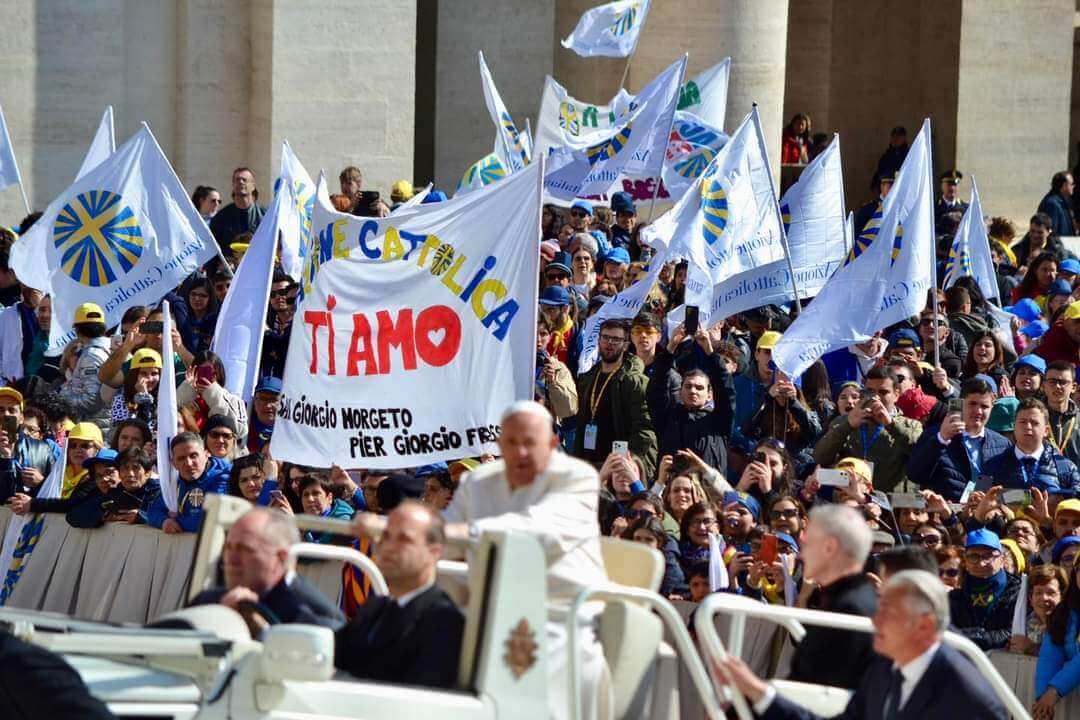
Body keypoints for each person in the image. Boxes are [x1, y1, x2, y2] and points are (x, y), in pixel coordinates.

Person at [432, 401, 611, 720]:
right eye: (512, 443)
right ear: (499, 444)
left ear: (552, 444)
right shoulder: (477, 481)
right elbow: (443, 539)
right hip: (484, 608)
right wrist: (407, 536)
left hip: (559, 614)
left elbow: (536, 530)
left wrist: (460, 532)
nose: (521, 452)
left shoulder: (578, 477)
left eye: (530, 443)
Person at [715, 570, 1006, 720]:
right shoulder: (884, 669)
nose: (875, 622)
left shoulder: (969, 696)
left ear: (924, 626)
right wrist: (758, 691)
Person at [335, 500, 464, 688]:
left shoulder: (442, 622)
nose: (388, 547)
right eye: (386, 536)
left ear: (434, 552)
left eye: (404, 539)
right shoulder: (374, 608)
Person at [190, 507, 344, 636]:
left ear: (282, 558)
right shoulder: (207, 601)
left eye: (245, 550)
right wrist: (216, 620)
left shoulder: (317, 620)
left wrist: (263, 632)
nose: (231, 560)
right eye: (228, 548)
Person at [788, 504, 877, 689]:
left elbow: (816, 691)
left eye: (807, 544)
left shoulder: (851, 611)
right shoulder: (846, 600)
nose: (801, 555)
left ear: (829, 547)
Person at [813, 367, 923, 493]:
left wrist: (891, 425)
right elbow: (820, 457)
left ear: (896, 395)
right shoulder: (845, 421)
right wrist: (847, 425)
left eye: (883, 392)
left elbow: (921, 455)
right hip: (850, 497)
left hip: (891, 499)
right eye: (870, 392)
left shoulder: (911, 425)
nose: (875, 398)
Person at [572, 318, 657, 478]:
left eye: (616, 339)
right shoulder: (588, 378)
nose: (609, 343)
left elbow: (644, 429)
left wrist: (628, 463)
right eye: (605, 337)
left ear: (625, 345)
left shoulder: (633, 381)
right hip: (589, 463)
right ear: (598, 340)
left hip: (620, 467)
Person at [907, 377, 1010, 500]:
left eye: (984, 406)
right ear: (960, 404)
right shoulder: (935, 435)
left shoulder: (1002, 444)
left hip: (985, 510)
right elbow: (915, 475)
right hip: (946, 509)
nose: (978, 411)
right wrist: (941, 440)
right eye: (972, 404)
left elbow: (1008, 487)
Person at [948, 529, 1022, 651]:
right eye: (973, 557)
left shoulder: (1019, 592)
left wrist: (967, 637)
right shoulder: (954, 597)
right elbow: (946, 634)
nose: (981, 563)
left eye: (988, 556)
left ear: (1002, 559)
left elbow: (1014, 634)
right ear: (965, 560)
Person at [988, 398, 1080, 492]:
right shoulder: (993, 466)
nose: (1028, 427)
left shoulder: (1066, 468)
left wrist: (1056, 499)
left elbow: (1076, 497)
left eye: (1035, 423)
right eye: (1023, 422)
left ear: (1046, 431)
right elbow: (980, 498)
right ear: (1014, 426)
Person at [147, 432, 230, 533]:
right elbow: (152, 512)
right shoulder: (174, 483)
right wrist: (164, 521)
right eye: (181, 458)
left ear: (206, 455)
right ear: (173, 463)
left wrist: (176, 520)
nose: (188, 463)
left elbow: (209, 520)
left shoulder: (223, 477)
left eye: (193, 456)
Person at [57, 303, 112, 427]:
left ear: (77, 330)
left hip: (97, 427)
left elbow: (91, 401)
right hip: (102, 424)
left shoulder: (91, 356)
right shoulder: (112, 347)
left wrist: (61, 396)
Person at [0, 386, 55, 503]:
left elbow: (55, 494)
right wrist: (6, 459)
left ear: (21, 418)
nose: (5, 414)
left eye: (12, 410)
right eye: (0, 409)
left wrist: (42, 482)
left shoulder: (43, 449)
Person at [209, 167, 266, 253]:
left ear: (253, 186)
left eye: (244, 180)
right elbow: (213, 250)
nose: (241, 182)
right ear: (233, 185)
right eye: (237, 180)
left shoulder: (265, 216)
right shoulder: (220, 218)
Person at [1037, 171, 1076, 241]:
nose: (1074, 186)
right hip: (1059, 246)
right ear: (1064, 185)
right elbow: (1051, 234)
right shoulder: (1052, 204)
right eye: (1072, 184)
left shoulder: (1062, 201)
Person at [247, 376, 281, 454]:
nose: (268, 405)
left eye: (273, 399)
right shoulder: (243, 430)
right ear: (254, 402)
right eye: (263, 399)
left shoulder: (291, 434)